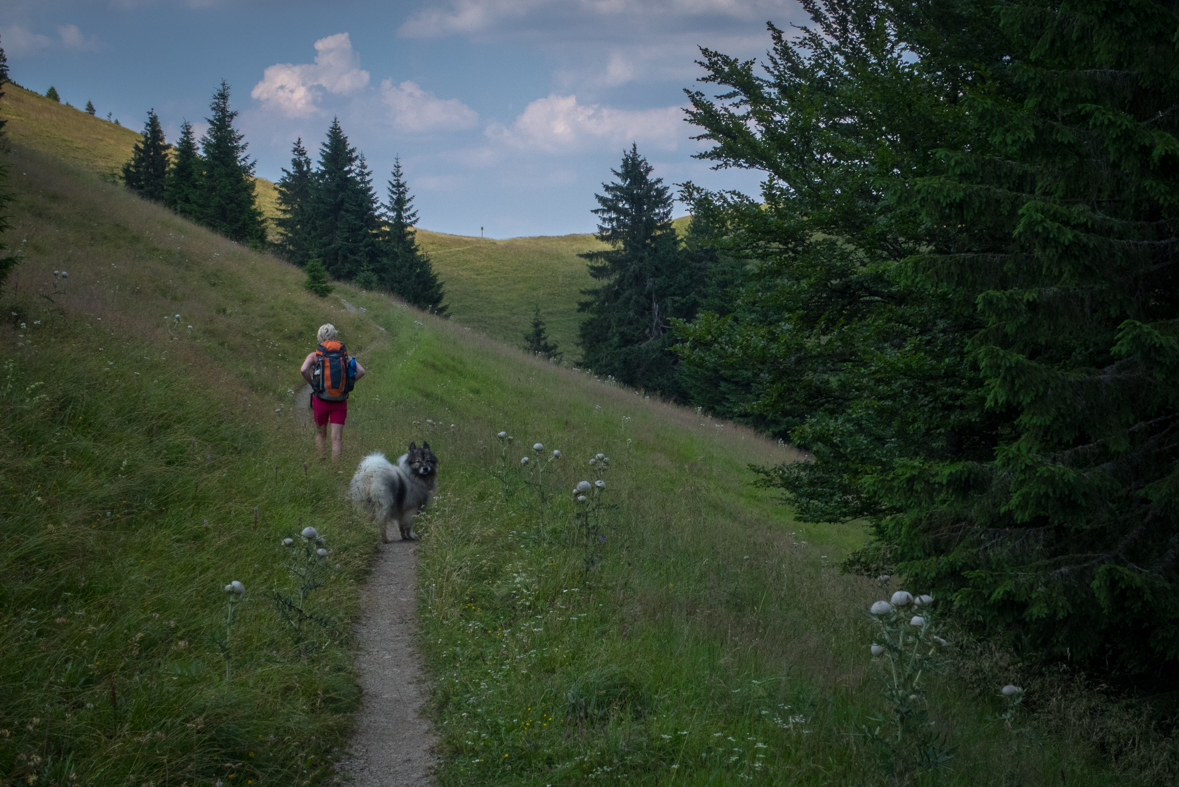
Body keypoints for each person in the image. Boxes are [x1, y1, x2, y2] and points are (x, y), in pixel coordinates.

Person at [300, 323, 365, 463]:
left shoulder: (314, 356)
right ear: (335, 336)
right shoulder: (344, 357)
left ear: (319, 337)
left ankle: (322, 463)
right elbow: (361, 371)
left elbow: (303, 370)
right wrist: (347, 385)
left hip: (320, 400)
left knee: (320, 434)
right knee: (336, 439)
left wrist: (313, 384)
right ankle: (335, 471)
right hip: (340, 401)